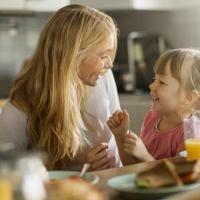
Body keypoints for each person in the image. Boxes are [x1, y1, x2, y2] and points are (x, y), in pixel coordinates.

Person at [0, 4, 122, 170]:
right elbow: (9, 179)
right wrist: (81, 172)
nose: (110, 64)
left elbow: (117, 142)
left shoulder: (103, 78)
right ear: (73, 56)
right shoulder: (17, 112)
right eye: (103, 56)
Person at [107, 48, 200, 165]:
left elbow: (178, 178)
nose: (151, 86)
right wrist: (121, 136)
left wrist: (145, 156)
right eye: (155, 79)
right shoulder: (152, 118)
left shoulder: (191, 133)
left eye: (161, 82)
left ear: (188, 97)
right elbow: (131, 167)